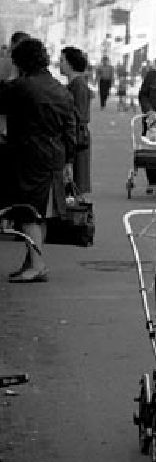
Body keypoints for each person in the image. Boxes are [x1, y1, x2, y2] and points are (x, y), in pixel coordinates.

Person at [0, 38, 77, 282]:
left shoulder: (22, 86)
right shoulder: (60, 89)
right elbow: (71, 131)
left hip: (28, 155)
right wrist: (68, 161)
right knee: (40, 212)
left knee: (28, 213)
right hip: (53, 155)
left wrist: (13, 74)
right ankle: (32, 262)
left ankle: (37, 264)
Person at [59, 46, 93, 196]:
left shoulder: (78, 85)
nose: (60, 64)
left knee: (74, 183)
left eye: (62, 61)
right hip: (76, 136)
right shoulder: (74, 84)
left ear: (70, 63)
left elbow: (78, 115)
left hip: (77, 137)